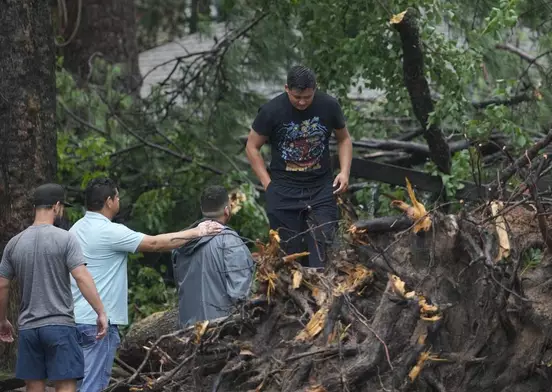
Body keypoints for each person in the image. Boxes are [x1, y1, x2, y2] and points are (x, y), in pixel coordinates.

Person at [68, 177, 223, 392]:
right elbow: (154, 243)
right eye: (117, 197)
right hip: (98, 323)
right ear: (109, 201)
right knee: (93, 386)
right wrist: (198, 232)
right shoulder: (108, 231)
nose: (118, 201)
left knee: (76, 384)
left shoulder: (75, 229)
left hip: (73, 319)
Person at [0, 183, 108, 392]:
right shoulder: (66, 238)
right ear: (57, 206)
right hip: (60, 326)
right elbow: (81, 276)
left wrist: (2, 319)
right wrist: (101, 312)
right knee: (66, 385)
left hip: (29, 329)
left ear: (35, 208)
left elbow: (2, 285)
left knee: (34, 386)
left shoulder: (15, 243)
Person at [245, 65, 353, 269]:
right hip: (284, 190)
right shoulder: (271, 110)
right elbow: (252, 147)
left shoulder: (329, 105)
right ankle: (293, 296)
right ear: (287, 89)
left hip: (321, 187)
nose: (302, 102)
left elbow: (344, 139)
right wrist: (268, 184)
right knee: (289, 255)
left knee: (323, 249)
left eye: (307, 97)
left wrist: (345, 172)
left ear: (315, 88)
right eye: (297, 97)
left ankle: (324, 295)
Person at [172, 185, 256, 327]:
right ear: (227, 210)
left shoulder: (181, 242)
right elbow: (241, 295)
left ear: (202, 209)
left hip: (187, 332)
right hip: (220, 332)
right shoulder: (230, 241)